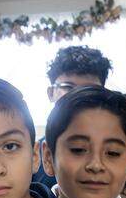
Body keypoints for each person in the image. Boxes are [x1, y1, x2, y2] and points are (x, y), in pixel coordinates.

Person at [34, 46, 115, 190]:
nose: (79, 97)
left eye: (89, 90)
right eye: (68, 87)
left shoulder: (117, 154)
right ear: (51, 93)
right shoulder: (30, 156)